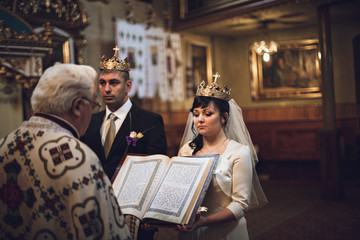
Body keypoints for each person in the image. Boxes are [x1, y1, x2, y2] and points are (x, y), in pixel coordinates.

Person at [0, 63, 131, 239]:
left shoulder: (4, 146)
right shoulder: (77, 158)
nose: (93, 112)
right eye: (93, 105)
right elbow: (107, 231)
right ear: (77, 106)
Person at [81, 46, 167, 240]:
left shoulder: (149, 121)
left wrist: (149, 212)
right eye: (102, 83)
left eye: (113, 83)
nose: (107, 89)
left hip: (133, 213)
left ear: (128, 86)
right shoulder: (90, 121)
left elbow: (158, 169)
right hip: (96, 210)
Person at [176, 73, 268, 240]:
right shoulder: (186, 150)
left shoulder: (239, 152)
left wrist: (204, 221)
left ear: (224, 118)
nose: (200, 120)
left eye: (208, 113)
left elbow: (240, 205)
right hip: (191, 230)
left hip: (225, 231)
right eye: (196, 114)